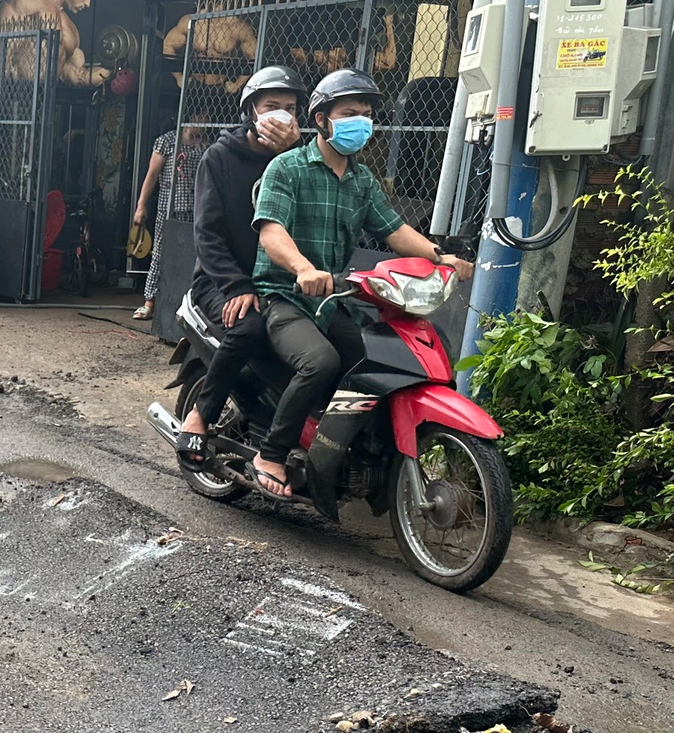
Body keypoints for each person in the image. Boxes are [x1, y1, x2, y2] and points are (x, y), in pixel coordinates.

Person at [247, 69, 472, 497]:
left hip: (333, 301)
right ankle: (271, 453)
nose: (361, 123)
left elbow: (394, 230)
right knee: (321, 362)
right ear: (321, 120)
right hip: (284, 296)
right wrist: (303, 269)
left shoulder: (362, 180)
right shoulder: (287, 168)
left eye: (366, 115)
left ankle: (355, 451)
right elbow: (271, 231)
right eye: (350, 113)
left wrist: (440, 256)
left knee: (381, 360)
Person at [176, 65, 306, 467]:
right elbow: (207, 234)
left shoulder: (300, 163)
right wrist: (237, 286)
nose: (282, 115)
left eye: (290, 108)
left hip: (281, 281)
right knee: (249, 326)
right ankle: (201, 415)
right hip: (222, 282)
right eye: (272, 106)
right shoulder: (219, 158)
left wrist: (295, 154)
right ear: (251, 110)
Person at [131, 113, 210, 320]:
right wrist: (141, 205)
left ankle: (189, 303)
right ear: (192, 117)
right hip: (170, 207)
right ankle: (149, 302)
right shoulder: (167, 141)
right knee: (160, 252)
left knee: (195, 254)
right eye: (202, 117)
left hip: (196, 209)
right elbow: (152, 175)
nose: (204, 123)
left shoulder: (206, 145)